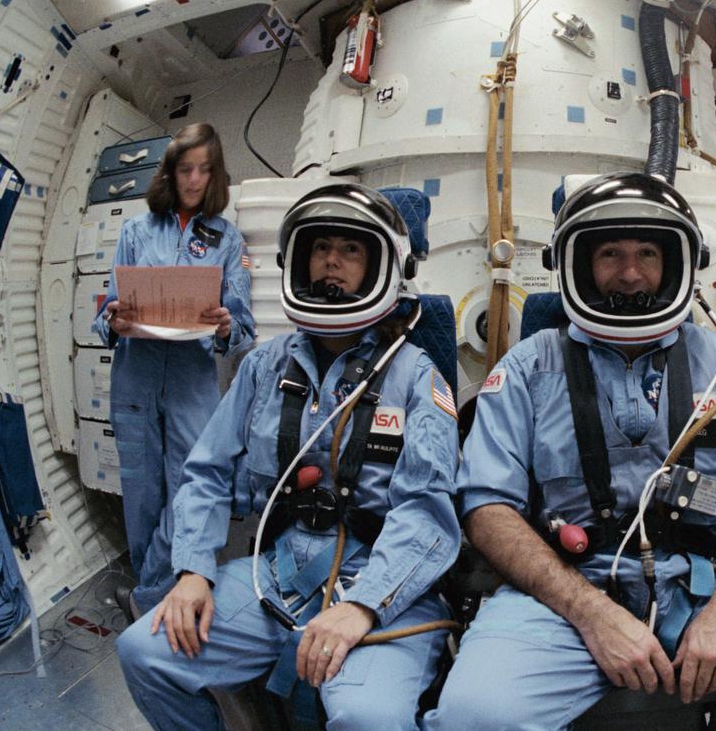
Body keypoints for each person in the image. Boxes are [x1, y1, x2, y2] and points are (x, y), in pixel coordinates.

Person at [426, 173, 716, 731]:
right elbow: (488, 508)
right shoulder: (528, 367)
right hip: (566, 593)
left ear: (677, 263)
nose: (631, 273)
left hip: (702, 583)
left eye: (648, 254)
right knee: (472, 716)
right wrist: (591, 613)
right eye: (611, 253)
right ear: (578, 264)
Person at [116, 184, 460, 730]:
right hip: (276, 577)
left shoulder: (415, 377)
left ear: (384, 267)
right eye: (321, 247)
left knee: (366, 717)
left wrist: (364, 605)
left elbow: (427, 513)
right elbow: (206, 473)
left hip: (381, 584)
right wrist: (193, 569)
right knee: (144, 652)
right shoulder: (263, 366)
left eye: (350, 250)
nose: (331, 261)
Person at [92, 123, 255, 615]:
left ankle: (149, 596)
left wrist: (225, 326)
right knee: (141, 493)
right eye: (186, 169)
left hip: (191, 381)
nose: (194, 180)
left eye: (204, 170)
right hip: (135, 377)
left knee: (192, 487)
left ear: (216, 175)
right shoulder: (136, 231)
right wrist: (113, 319)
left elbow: (243, 330)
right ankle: (156, 597)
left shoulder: (228, 240)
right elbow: (104, 315)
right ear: (170, 172)